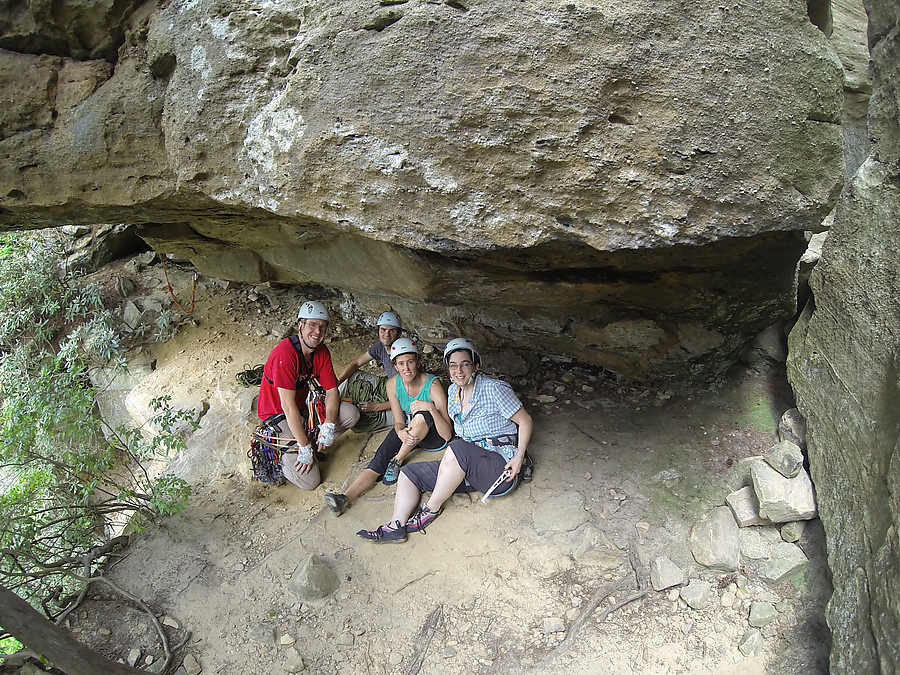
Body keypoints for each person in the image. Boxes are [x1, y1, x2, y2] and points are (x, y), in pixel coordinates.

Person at [357, 338, 533, 543]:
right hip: (470, 466)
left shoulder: (494, 388)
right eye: (453, 365)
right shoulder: (453, 392)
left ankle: (430, 510)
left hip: (499, 468)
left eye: (465, 364)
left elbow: (525, 420)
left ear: (475, 365)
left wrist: (519, 456)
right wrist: (431, 408)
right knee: (408, 473)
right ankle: (395, 526)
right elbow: (448, 434)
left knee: (457, 447)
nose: (459, 371)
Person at [324, 338, 453, 516]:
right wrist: (400, 431)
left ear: (418, 362)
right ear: (395, 366)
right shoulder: (392, 384)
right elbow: (399, 420)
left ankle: (397, 460)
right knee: (380, 457)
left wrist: (430, 407)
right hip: (409, 430)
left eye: (410, 362)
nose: (406, 368)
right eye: (401, 363)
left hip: (433, 435)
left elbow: (446, 434)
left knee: (422, 415)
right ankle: (344, 498)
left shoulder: (433, 386)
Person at [256, 301, 360, 490]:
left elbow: (332, 390)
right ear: (300, 325)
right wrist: (304, 446)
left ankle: (310, 443)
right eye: (312, 325)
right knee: (310, 482)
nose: (317, 332)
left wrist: (328, 425)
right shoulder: (285, 355)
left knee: (350, 414)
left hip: (303, 408)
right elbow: (287, 406)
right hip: (277, 415)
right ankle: (281, 457)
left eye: (322, 326)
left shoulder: (320, 352)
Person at [336, 311, 402, 432]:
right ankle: (329, 402)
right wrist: (336, 384)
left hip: (403, 399)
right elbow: (355, 364)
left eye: (392, 330)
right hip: (387, 386)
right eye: (383, 329)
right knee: (353, 375)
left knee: (362, 424)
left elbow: (407, 395)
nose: (386, 334)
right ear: (378, 331)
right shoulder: (380, 346)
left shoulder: (402, 352)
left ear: (398, 333)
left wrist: (376, 407)